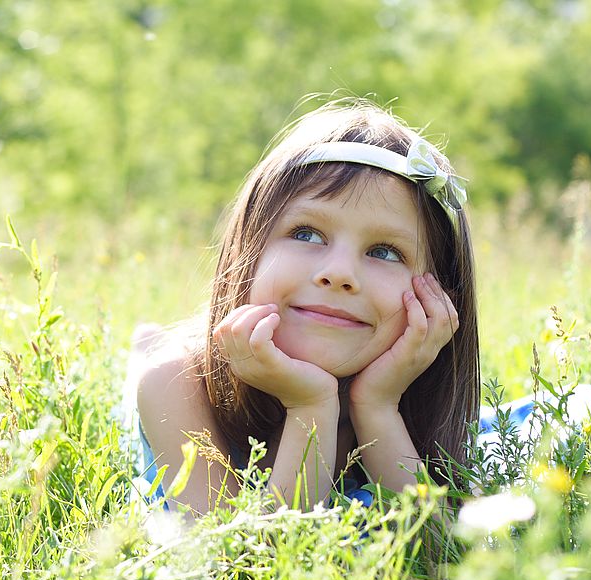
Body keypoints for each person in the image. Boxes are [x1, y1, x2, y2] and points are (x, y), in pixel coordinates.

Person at [123, 97, 480, 516]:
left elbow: (443, 562)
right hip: (180, 366)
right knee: (153, 353)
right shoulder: (175, 383)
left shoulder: (422, 400)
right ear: (248, 251)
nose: (340, 273)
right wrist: (311, 407)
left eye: (384, 251)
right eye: (307, 234)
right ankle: (146, 341)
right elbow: (241, 570)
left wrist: (378, 407)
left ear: (439, 297)